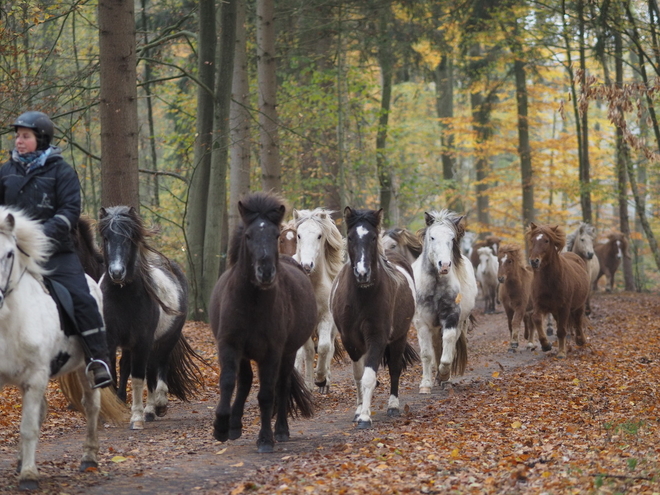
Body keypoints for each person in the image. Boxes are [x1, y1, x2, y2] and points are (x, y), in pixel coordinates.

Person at [0, 111, 112, 388]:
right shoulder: (5, 172)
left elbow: (70, 211)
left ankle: (98, 359)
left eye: (25, 136)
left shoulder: (61, 171)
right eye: (17, 136)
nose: (19, 141)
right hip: (10, 252)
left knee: (82, 296)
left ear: (41, 139)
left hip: (56, 253)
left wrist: (38, 235)